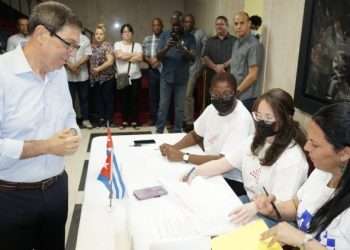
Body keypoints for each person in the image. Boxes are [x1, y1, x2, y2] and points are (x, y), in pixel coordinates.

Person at [0, 2, 81, 249]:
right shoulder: (3, 75)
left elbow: (69, 117)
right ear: (42, 35)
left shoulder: (58, 74)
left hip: (56, 189)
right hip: (11, 199)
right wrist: (46, 146)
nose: (72, 53)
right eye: (69, 44)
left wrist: (72, 134)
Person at [184, 89, 309, 214]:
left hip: (274, 217)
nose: (261, 122)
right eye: (258, 116)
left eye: (268, 118)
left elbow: (284, 208)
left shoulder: (293, 158)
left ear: (286, 118)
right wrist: (196, 171)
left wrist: (257, 208)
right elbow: (224, 164)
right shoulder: (254, 141)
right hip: (250, 203)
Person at [257, 102, 350, 250]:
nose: (306, 147)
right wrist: (274, 210)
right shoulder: (322, 171)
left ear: (344, 153)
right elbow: (296, 205)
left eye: (315, 144)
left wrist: (303, 240)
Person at [160, 73, 254, 176]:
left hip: (232, 176)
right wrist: (174, 148)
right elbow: (196, 135)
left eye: (226, 94)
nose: (221, 98)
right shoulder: (212, 108)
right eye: (216, 94)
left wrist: (183, 156)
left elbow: (223, 162)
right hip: (210, 166)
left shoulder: (241, 119)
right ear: (210, 92)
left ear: (236, 93)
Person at [156, 10, 196, 133]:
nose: (175, 27)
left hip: (182, 78)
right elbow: (158, 56)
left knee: (179, 108)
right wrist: (167, 47)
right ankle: (159, 130)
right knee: (163, 106)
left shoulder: (190, 37)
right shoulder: (164, 35)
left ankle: (177, 131)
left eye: (178, 25)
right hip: (166, 77)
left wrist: (182, 48)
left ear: (183, 23)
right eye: (173, 25)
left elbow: (192, 58)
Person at [231, 11, 264, 111]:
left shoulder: (254, 45)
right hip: (235, 94)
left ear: (249, 24)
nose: (238, 27)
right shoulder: (236, 43)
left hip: (247, 97)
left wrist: (237, 92)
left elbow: (253, 75)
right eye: (236, 24)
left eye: (242, 23)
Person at [115, 24, 143, 129]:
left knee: (134, 99)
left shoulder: (138, 45)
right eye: (124, 32)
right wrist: (133, 55)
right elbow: (118, 56)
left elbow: (140, 58)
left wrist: (125, 55)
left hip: (135, 77)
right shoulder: (117, 44)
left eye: (128, 31)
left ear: (132, 33)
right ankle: (125, 120)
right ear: (121, 34)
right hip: (122, 77)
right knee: (124, 100)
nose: (126, 34)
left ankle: (135, 120)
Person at [65, 20, 93, 129]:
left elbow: (87, 55)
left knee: (84, 99)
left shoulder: (85, 39)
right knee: (69, 100)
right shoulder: (65, 38)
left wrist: (76, 65)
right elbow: (62, 53)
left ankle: (86, 119)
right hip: (68, 76)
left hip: (82, 75)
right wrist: (71, 66)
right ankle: (70, 122)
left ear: (81, 28)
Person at [203, 16, 235, 106]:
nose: (219, 26)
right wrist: (215, 67)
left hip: (228, 75)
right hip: (211, 76)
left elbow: (236, 56)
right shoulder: (210, 40)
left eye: (221, 24)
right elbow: (205, 57)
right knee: (211, 100)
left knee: (226, 100)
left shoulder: (235, 41)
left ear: (227, 25)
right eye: (217, 24)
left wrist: (223, 66)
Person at [183, 14, 207, 132]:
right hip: (182, 69)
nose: (188, 24)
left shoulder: (200, 33)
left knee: (188, 94)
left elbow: (205, 51)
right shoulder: (182, 33)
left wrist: (201, 66)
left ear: (194, 22)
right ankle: (184, 117)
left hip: (195, 67)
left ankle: (189, 122)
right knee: (182, 95)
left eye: (190, 22)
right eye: (186, 22)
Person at [89, 24, 115, 127]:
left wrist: (98, 69)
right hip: (96, 78)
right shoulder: (92, 47)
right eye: (96, 34)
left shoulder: (107, 45)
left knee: (107, 99)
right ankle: (101, 119)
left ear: (104, 35)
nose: (98, 36)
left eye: (101, 34)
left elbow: (110, 62)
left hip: (107, 78)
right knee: (98, 100)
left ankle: (109, 120)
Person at [143, 17, 163, 126]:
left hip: (164, 71)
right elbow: (144, 55)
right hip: (152, 71)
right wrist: (150, 61)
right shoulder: (147, 39)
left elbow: (169, 53)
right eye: (154, 25)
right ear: (152, 27)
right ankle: (152, 119)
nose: (156, 27)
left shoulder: (166, 38)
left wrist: (159, 61)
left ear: (162, 26)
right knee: (152, 96)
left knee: (164, 97)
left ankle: (164, 119)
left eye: (158, 25)